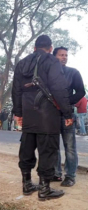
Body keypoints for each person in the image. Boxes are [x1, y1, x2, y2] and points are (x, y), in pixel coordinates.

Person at [12, 35, 73, 201]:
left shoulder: (22, 63)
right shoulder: (52, 61)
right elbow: (59, 88)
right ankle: (44, 189)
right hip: (47, 115)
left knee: (27, 148)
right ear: (51, 48)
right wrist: (68, 113)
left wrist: (18, 113)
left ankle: (27, 184)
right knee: (47, 151)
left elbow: (16, 90)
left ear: (34, 48)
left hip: (28, 114)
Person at [52, 46, 86, 187]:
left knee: (70, 147)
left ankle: (70, 176)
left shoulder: (73, 73)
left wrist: (67, 102)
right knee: (53, 147)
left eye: (66, 55)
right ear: (54, 57)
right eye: (61, 55)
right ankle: (56, 173)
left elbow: (81, 92)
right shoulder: (48, 74)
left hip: (67, 115)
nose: (64, 57)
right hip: (51, 115)